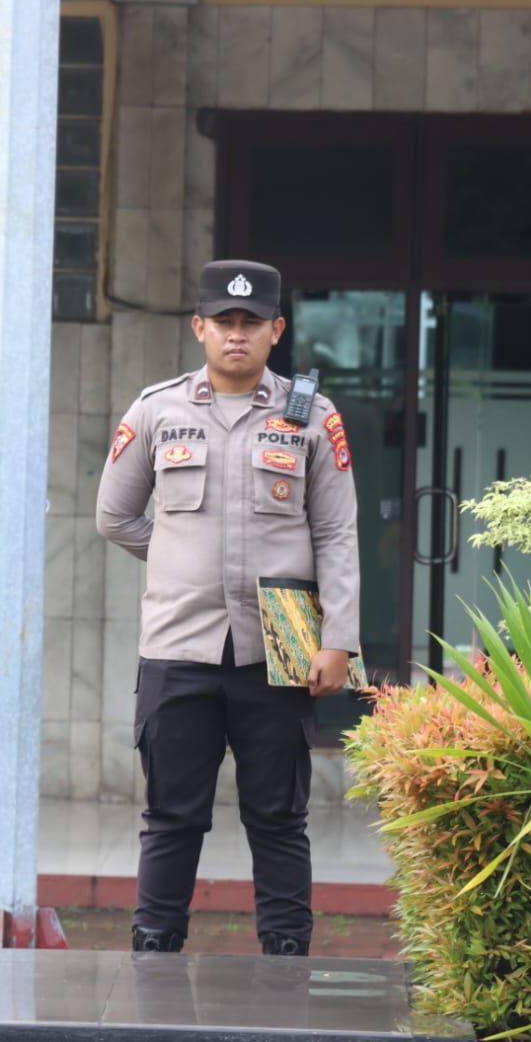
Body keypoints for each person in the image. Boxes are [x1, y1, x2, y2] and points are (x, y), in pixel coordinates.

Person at [95, 259, 360, 957]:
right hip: (178, 645)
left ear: (276, 330)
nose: (235, 334)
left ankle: (287, 954)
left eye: (250, 323)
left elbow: (336, 533)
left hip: (282, 644)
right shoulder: (157, 410)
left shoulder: (313, 417)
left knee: (278, 816)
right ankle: (154, 949)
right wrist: (181, 562)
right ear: (199, 328)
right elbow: (115, 516)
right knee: (170, 815)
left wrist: (339, 639)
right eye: (223, 322)